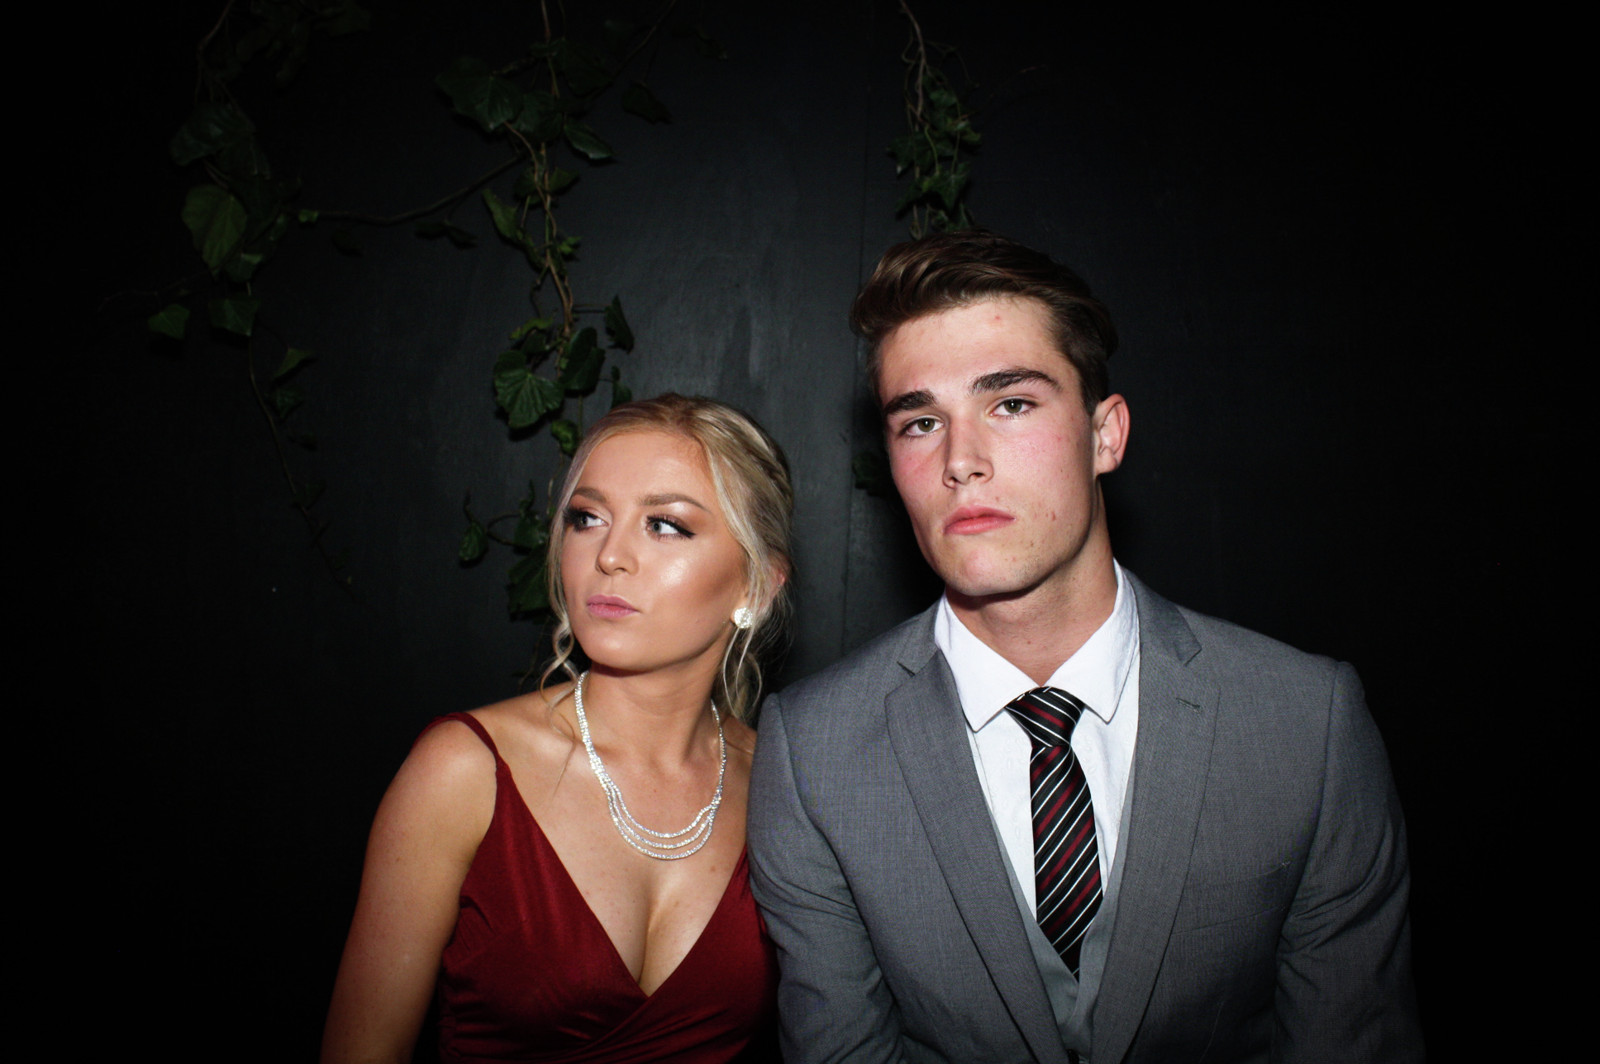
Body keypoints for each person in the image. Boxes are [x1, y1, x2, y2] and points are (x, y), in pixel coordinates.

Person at [747, 230, 1421, 1062]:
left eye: (1011, 404)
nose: (962, 460)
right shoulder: (813, 754)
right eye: (920, 422)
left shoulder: (1305, 724)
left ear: (1106, 435)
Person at [323, 394, 793, 1064]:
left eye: (664, 525)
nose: (609, 556)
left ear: (757, 587)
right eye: (587, 518)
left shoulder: (787, 786)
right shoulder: (466, 771)